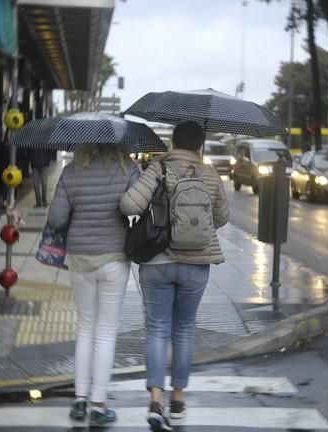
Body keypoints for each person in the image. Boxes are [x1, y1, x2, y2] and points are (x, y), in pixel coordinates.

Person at [120, 121, 229, 432]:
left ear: (173, 141)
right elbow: (222, 218)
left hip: (157, 262)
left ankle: (156, 400)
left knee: (157, 330)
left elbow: (128, 204)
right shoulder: (210, 174)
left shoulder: (158, 169)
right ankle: (178, 400)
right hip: (197, 265)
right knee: (183, 331)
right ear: (200, 145)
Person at [47, 144, 140, 426]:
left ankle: (79, 399)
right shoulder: (128, 170)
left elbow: (57, 218)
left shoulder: (72, 171)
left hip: (80, 258)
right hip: (114, 257)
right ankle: (98, 404)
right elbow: (138, 206)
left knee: (85, 327)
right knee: (106, 331)